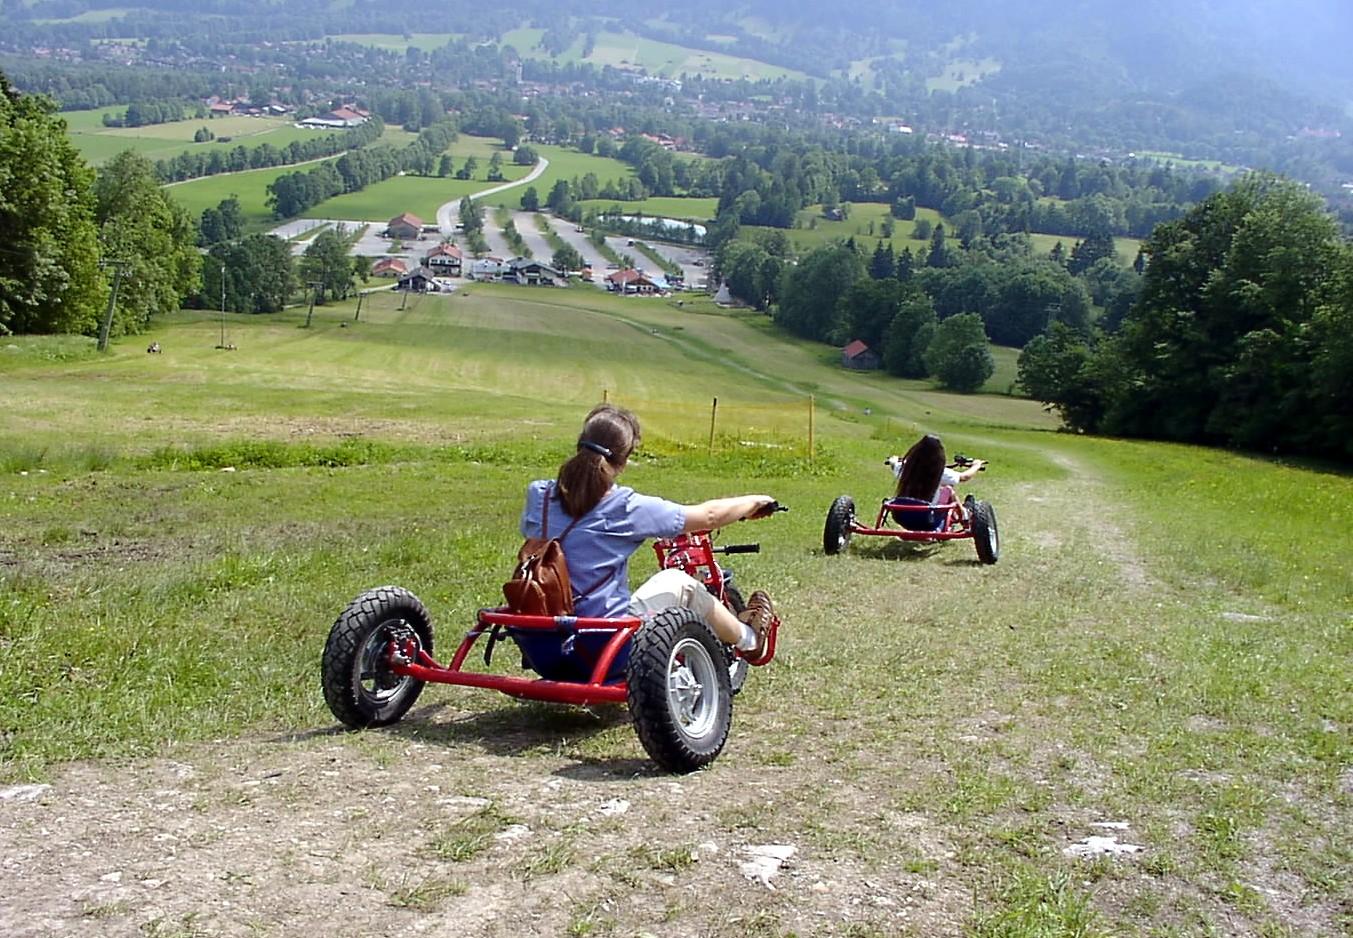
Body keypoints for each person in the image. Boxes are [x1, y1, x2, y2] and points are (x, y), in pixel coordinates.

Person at [518, 403, 778, 660]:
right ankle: (750, 640)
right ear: (623, 461)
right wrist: (753, 502)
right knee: (679, 583)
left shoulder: (538, 495)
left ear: (580, 445)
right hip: (602, 648)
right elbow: (708, 516)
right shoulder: (626, 507)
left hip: (542, 646)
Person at [886, 433, 984, 515]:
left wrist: (893, 460)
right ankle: (963, 514)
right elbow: (964, 476)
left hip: (902, 516)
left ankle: (963, 512)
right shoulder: (939, 473)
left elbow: (894, 464)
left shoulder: (905, 468)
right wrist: (976, 465)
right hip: (927, 518)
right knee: (948, 490)